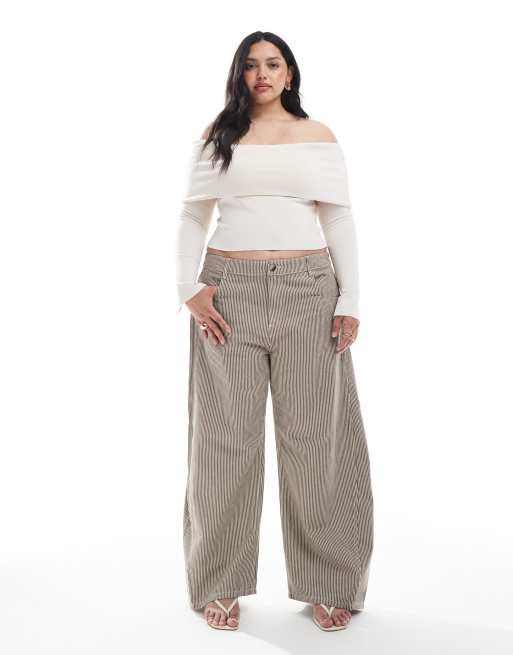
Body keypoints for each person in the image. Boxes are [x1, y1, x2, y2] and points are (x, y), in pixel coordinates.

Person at [175, 31, 374, 632]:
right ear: (238, 74)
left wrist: (350, 298)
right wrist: (188, 287)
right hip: (227, 293)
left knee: (317, 440)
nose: (262, 74)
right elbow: (194, 214)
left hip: (308, 291)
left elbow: (338, 216)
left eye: (273, 64)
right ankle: (219, 581)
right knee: (223, 441)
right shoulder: (219, 135)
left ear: (290, 73)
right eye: (251, 65)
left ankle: (330, 583)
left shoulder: (318, 136)